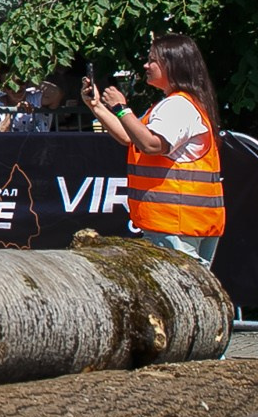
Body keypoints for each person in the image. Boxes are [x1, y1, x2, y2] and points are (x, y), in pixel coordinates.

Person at [85, 34, 226, 262]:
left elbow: (151, 144)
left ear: (172, 64)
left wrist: (121, 108)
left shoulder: (178, 105)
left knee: (179, 295)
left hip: (175, 223)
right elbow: (130, 137)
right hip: (184, 222)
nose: (146, 65)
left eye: (152, 60)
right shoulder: (178, 104)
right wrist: (98, 107)